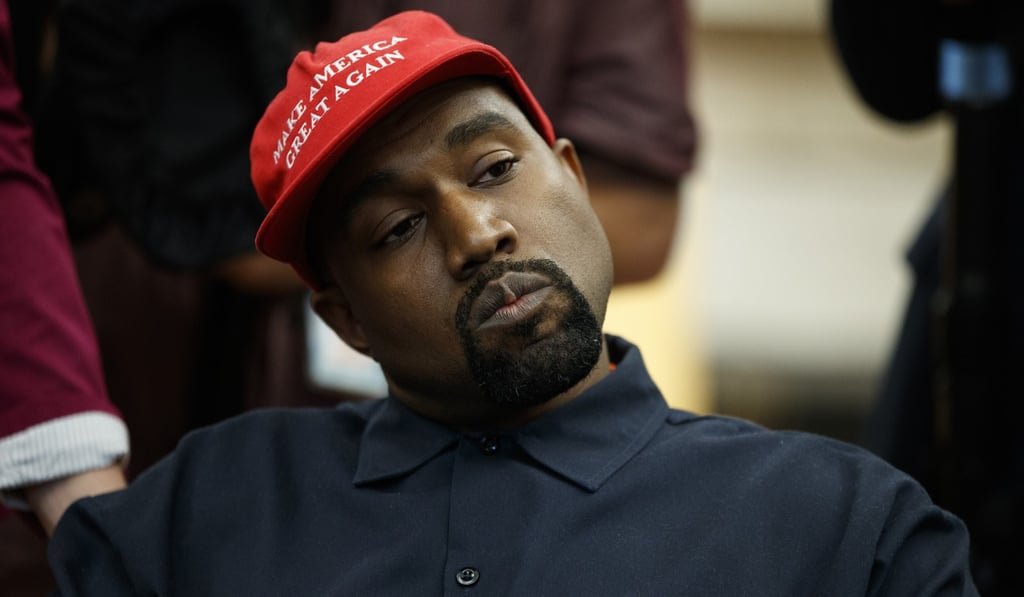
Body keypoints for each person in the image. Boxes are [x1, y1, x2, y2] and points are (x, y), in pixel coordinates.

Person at [45, 12, 976, 595]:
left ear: (569, 174)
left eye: (496, 168)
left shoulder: (844, 528)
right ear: (344, 319)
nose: (477, 233)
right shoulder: (208, 511)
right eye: (396, 229)